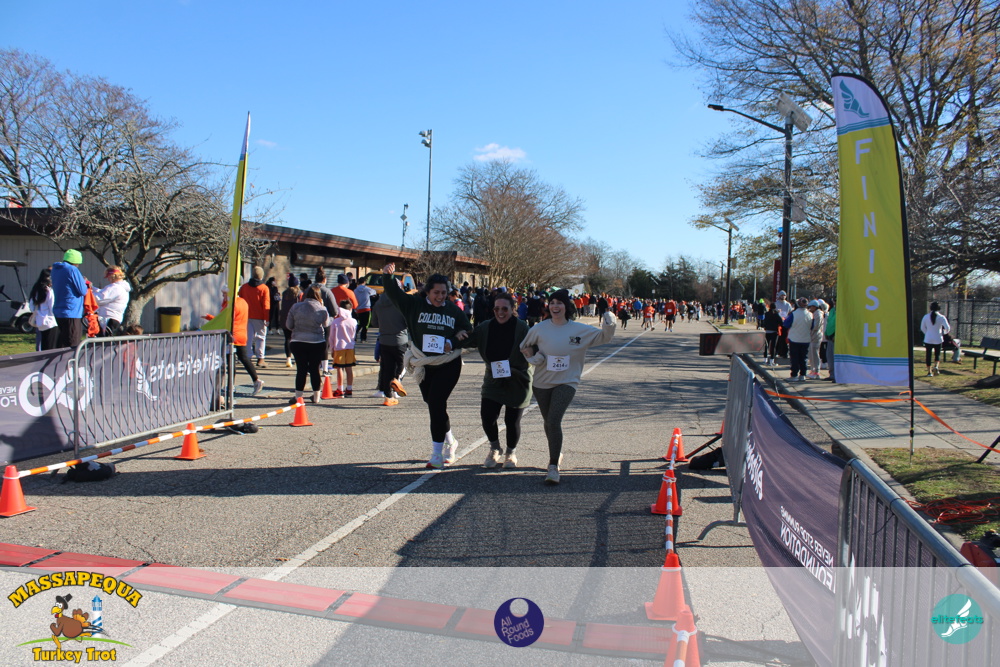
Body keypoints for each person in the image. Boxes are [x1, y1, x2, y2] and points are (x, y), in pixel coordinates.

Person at [520, 289, 616, 484]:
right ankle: (556, 452)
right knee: (549, 423)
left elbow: (605, 337)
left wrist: (608, 318)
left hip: (567, 381)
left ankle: (553, 465)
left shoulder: (579, 329)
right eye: (552, 302)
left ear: (566, 306)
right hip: (542, 382)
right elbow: (524, 347)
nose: (555, 306)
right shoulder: (540, 328)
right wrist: (535, 357)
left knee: (554, 420)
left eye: (559, 303)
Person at [381, 262, 471, 469]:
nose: (440, 296)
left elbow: (468, 331)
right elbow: (395, 295)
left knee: (437, 403)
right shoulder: (414, 305)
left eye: (444, 293)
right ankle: (451, 441)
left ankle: (436, 454)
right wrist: (387, 277)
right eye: (436, 292)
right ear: (427, 292)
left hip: (448, 363)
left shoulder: (453, 310)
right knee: (433, 403)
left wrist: (454, 341)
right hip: (423, 364)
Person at [455, 292, 532, 469]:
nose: (500, 312)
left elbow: (538, 347)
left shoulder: (523, 329)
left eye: (504, 309)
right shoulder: (486, 327)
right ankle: (495, 448)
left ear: (512, 309)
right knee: (487, 416)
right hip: (494, 377)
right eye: (497, 309)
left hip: (517, 379)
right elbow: (469, 339)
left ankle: (511, 453)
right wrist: (458, 334)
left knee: (512, 421)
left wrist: (533, 353)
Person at [285, 285, 332, 403]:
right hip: (317, 342)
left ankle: (298, 397)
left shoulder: (295, 307)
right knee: (315, 369)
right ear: (319, 296)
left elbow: (289, 325)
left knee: (301, 369)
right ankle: (316, 396)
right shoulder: (322, 309)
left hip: (298, 341)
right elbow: (326, 324)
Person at [373, 285, 408, 406]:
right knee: (402, 364)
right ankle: (396, 380)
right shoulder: (400, 303)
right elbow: (407, 322)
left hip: (384, 339)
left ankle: (388, 397)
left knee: (387, 368)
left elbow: (374, 322)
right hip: (400, 339)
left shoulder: (378, 303)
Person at [51, 249, 88, 348]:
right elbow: (83, 290)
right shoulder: (72, 270)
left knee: (62, 342)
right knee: (73, 343)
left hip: (58, 311)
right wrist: (84, 282)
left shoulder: (55, 269)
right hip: (72, 311)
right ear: (76, 261)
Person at [238, 267, 271, 367]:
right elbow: (266, 305)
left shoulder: (244, 287)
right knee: (260, 337)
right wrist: (267, 319)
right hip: (260, 317)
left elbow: (240, 300)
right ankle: (260, 358)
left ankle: (248, 357)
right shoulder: (264, 288)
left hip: (246, 316)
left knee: (248, 338)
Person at [328, 299, 358, 397]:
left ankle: (339, 389)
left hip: (339, 346)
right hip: (350, 346)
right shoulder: (353, 321)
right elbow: (354, 335)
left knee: (339, 368)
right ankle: (349, 388)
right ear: (350, 309)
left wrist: (332, 348)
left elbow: (331, 337)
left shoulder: (336, 322)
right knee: (349, 368)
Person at [94, 266, 130, 336]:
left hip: (108, 318)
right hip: (114, 317)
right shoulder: (121, 288)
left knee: (104, 340)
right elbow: (102, 293)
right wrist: (92, 288)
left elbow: (101, 299)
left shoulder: (115, 288)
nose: (108, 279)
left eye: (108, 277)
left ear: (112, 276)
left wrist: (87, 292)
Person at [783, 297, 813, 382]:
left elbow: (786, 324)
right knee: (804, 358)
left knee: (794, 358)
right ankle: (803, 374)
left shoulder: (794, 314)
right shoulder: (810, 314)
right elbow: (812, 326)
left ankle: (794, 375)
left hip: (794, 339)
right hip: (806, 339)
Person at [29, 268, 59, 351]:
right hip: (50, 321)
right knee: (51, 346)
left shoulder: (36, 290)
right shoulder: (49, 291)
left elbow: (31, 306)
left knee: (44, 345)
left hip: (40, 321)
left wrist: (38, 312)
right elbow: (52, 306)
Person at [920, 302, 950, 376]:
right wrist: (943, 333)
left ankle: (929, 372)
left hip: (928, 338)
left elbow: (922, 327)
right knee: (937, 354)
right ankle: (936, 366)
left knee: (928, 355)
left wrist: (927, 333)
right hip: (938, 338)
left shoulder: (926, 317)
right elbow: (947, 328)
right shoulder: (941, 317)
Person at [280, 274, 301, 367]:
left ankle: (288, 359)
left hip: (285, 318)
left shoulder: (285, 293)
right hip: (296, 319)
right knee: (297, 340)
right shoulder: (299, 293)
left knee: (287, 339)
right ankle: (297, 358)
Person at [353, 276, 377, 342]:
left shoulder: (355, 290)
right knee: (365, 325)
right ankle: (363, 338)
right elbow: (374, 292)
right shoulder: (367, 289)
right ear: (364, 282)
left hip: (358, 309)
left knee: (359, 324)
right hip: (366, 309)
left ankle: (354, 335)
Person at [806, 300, 826, 379]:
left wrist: (810, 329)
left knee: (815, 354)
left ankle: (816, 371)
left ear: (814, 306)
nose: (810, 308)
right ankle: (813, 370)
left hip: (816, 335)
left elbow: (816, 326)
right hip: (813, 335)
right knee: (812, 354)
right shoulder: (815, 313)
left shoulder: (818, 314)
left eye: (811, 307)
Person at [762, 302, 782, 366]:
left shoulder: (766, 314)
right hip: (774, 332)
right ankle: (771, 361)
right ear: (775, 307)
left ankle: (765, 360)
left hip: (767, 331)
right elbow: (781, 322)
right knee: (773, 347)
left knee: (766, 346)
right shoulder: (776, 314)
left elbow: (764, 322)